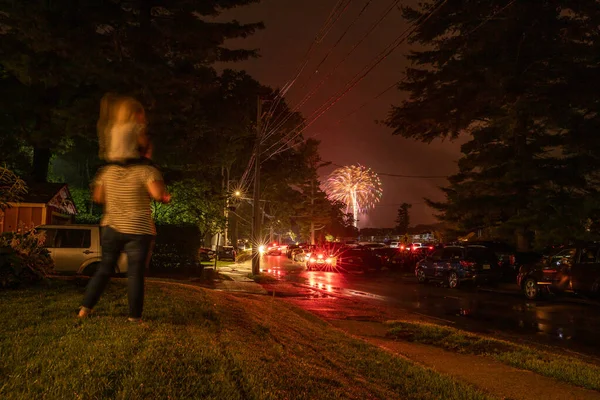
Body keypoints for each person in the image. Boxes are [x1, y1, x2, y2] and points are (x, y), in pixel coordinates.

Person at [78, 95, 170, 322]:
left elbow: (98, 197)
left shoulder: (106, 172)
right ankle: (134, 317)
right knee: (135, 274)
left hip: (111, 227)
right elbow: (159, 195)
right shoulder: (148, 172)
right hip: (139, 230)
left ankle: (84, 309)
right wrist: (166, 196)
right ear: (143, 149)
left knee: (104, 269)